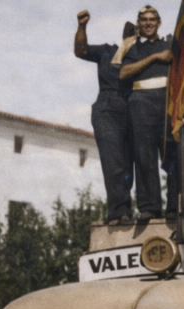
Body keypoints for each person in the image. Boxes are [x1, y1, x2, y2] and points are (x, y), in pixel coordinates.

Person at [74, 11, 136, 225]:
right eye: (129, 33)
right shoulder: (107, 52)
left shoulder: (140, 57)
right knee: (113, 161)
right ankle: (118, 212)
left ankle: (124, 210)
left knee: (128, 165)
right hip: (107, 108)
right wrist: (82, 27)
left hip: (132, 110)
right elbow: (80, 50)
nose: (132, 37)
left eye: (135, 34)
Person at [119, 6, 178, 221]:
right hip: (141, 101)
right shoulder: (133, 47)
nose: (148, 23)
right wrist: (154, 58)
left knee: (172, 153)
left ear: (159, 22)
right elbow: (124, 73)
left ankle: (174, 207)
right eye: (144, 20)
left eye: (152, 19)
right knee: (144, 156)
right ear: (138, 23)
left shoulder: (169, 43)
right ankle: (149, 207)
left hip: (167, 101)